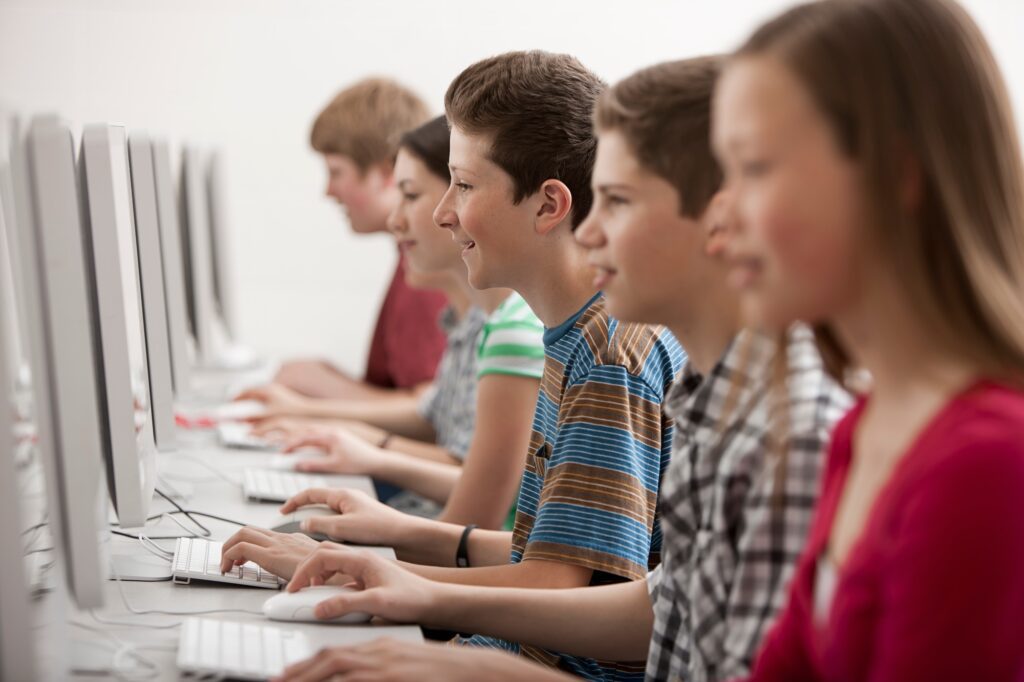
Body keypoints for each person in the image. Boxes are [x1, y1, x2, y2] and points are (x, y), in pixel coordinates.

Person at [260, 56, 850, 682]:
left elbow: (573, 584)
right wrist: (408, 575)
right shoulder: (700, 387)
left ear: (719, 220)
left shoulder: (632, 360)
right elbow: (656, 601)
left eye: (616, 202)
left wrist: (431, 612)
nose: (589, 232)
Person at [222, 51, 685, 679]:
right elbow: (553, 558)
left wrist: (392, 576)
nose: (443, 212)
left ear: (548, 206)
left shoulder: (607, 353)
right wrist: (389, 543)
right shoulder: (574, 335)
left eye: (463, 185)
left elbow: (561, 587)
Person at [707, 0, 1024, 679]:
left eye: (753, 167)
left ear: (897, 175)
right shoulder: (863, 429)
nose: (720, 213)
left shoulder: (986, 465)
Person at [271, 116, 545, 527]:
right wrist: (320, 418)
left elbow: (471, 514)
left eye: (411, 195)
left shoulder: (517, 331)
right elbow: (432, 417)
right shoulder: (486, 321)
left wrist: (368, 447)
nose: (396, 220)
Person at [271, 77, 448, 406]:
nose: (328, 191)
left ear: (387, 172)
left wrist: (320, 392)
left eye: (336, 172)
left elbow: (429, 410)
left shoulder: (427, 273)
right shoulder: (410, 260)